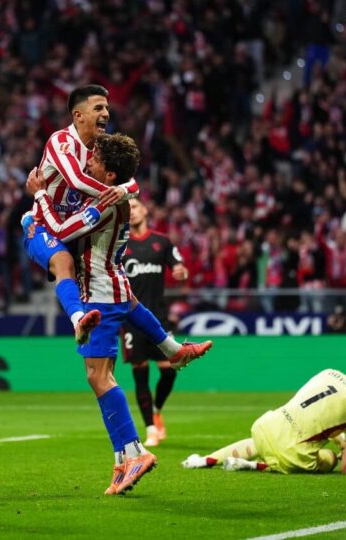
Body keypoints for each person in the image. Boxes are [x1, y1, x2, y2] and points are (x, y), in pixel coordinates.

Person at [26, 133, 212, 496]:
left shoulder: (104, 205)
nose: (88, 163)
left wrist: (40, 195)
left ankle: (136, 452)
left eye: (95, 161)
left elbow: (61, 230)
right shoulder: (117, 194)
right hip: (113, 284)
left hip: (99, 294)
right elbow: (129, 186)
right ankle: (171, 354)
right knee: (114, 351)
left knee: (98, 377)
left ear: (110, 175)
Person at [23, 84, 139, 344]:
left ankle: (169, 347)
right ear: (78, 115)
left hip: (76, 228)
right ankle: (78, 322)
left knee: (119, 285)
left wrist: (124, 190)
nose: (106, 113)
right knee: (64, 262)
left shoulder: (101, 146)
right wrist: (117, 194)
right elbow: (76, 180)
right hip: (43, 225)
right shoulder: (61, 141)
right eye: (98, 108)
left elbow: (130, 179)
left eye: (107, 108)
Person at [181, 364, 346, 474]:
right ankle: (253, 466)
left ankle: (204, 460)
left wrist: (342, 441)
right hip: (291, 455)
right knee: (328, 458)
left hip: (265, 426)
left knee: (261, 442)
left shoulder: (330, 373)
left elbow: (321, 415)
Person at [121, 198, 189, 447]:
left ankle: (157, 409)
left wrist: (182, 272)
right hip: (130, 319)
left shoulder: (162, 241)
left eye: (135, 206)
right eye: (127, 208)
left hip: (158, 318)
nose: (131, 212)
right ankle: (150, 429)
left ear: (145, 210)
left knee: (169, 371)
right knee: (140, 374)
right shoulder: (120, 245)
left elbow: (180, 267)